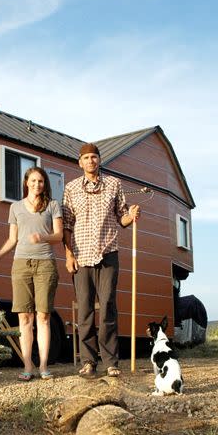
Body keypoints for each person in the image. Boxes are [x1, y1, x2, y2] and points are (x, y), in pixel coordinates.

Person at [63, 142, 141, 379]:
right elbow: (67, 224)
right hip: (81, 256)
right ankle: (88, 361)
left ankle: (110, 361)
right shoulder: (71, 188)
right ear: (80, 162)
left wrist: (132, 215)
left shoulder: (114, 185)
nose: (90, 161)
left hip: (108, 253)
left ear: (99, 160)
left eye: (94, 157)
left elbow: (122, 218)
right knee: (85, 310)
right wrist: (68, 255)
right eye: (86, 158)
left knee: (107, 306)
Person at [0, 166, 63, 381]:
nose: (37, 184)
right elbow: (13, 239)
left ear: (44, 184)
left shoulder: (53, 206)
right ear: (26, 182)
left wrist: (43, 237)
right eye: (33, 181)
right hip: (21, 265)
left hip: (45, 264)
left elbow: (58, 235)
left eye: (41, 181)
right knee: (24, 316)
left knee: (43, 316)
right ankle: (28, 365)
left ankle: (44, 365)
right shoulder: (15, 207)